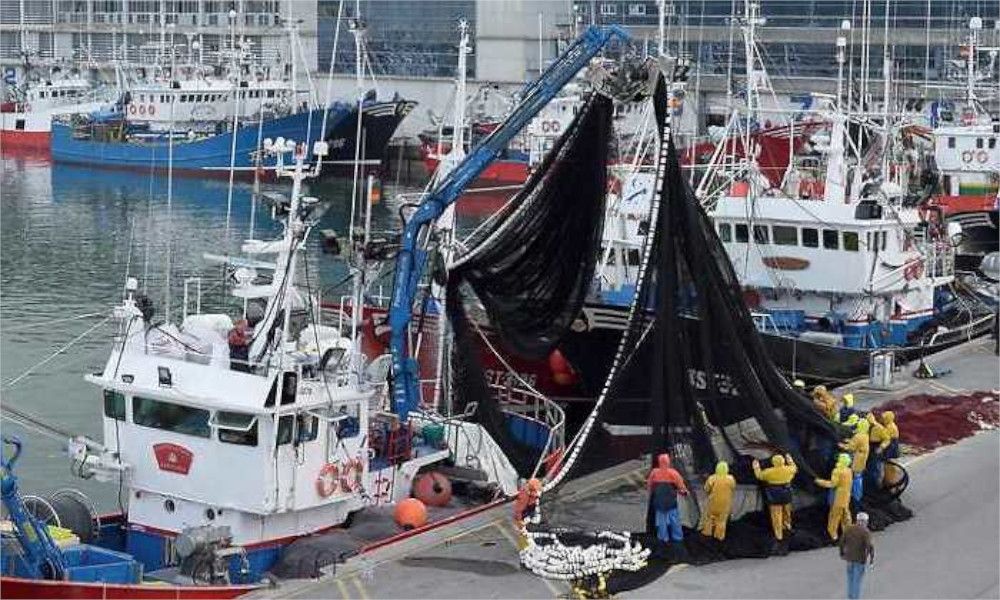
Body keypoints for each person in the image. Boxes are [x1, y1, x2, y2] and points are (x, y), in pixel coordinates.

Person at [752, 454, 797, 541]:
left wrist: (756, 467)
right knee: (787, 513)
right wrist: (790, 459)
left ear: (773, 462)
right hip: (787, 495)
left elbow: (759, 476)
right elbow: (795, 468)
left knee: (776, 516)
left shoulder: (769, 472)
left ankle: (779, 536)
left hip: (774, 496)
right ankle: (787, 527)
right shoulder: (789, 470)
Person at [647, 453, 689, 543]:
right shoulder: (673, 473)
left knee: (661, 521)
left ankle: (663, 538)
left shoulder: (654, 472)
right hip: (671, 501)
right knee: (675, 520)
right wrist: (684, 492)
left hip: (658, 502)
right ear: (668, 462)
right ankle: (677, 537)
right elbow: (681, 486)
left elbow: (649, 485)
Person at [815, 453, 854, 541]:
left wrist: (820, 482)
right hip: (846, 495)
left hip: (837, 496)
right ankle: (848, 534)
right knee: (846, 515)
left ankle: (833, 535)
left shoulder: (837, 471)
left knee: (834, 516)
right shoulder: (849, 471)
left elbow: (833, 484)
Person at [840, 512, 875, 599]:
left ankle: (850, 597)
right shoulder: (865, 532)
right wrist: (871, 559)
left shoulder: (848, 529)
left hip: (849, 559)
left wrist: (842, 553)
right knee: (857, 581)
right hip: (860, 560)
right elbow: (869, 546)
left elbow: (841, 542)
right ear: (865, 521)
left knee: (850, 580)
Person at [700, 460, 736, 541]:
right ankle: (719, 536)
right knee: (722, 521)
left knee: (709, 518)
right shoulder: (731, 479)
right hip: (725, 504)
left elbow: (706, 489)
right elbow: (733, 487)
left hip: (713, 503)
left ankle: (707, 533)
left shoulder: (712, 478)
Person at [840, 419, 870, 502]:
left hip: (858, 458)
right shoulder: (865, 435)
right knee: (858, 476)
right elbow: (856, 443)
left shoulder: (858, 436)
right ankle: (857, 495)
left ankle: (856, 496)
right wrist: (849, 441)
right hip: (862, 457)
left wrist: (842, 445)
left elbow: (851, 447)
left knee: (856, 476)